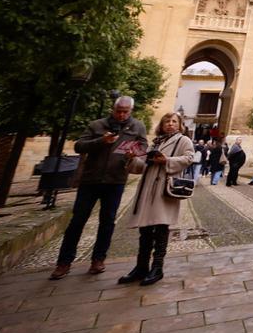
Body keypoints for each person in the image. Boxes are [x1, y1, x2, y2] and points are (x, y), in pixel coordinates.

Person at [49, 96, 148, 279]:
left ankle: (98, 259)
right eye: (118, 110)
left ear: (131, 111)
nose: (121, 114)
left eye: (125, 111)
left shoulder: (137, 126)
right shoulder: (97, 125)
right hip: (90, 180)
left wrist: (134, 153)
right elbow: (79, 146)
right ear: (113, 109)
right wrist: (101, 141)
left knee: (108, 222)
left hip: (115, 180)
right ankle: (64, 262)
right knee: (77, 221)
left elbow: (143, 146)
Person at [117, 111, 193, 286]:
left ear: (179, 124)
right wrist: (131, 159)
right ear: (162, 124)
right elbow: (143, 166)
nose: (170, 124)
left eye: (174, 121)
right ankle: (141, 266)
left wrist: (166, 160)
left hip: (163, 189)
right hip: (148, 188)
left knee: (160, 228)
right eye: (167, 121)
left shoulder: (183, 140)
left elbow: (189, 158)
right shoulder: (156, 142)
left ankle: (157, 268)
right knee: (145, 230)